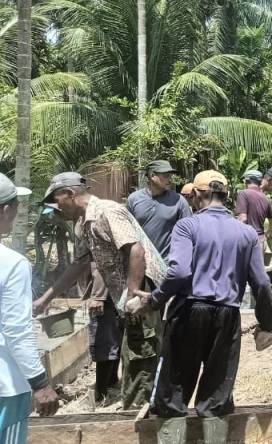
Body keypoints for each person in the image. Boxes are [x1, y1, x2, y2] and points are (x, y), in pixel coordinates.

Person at [131, 170, 272, 443]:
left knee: (172, 392)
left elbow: (179, 272)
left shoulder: (187, 226)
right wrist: (266, 324)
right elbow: (261, 284)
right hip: (227, 315)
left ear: (197, 194)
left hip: (189, 311)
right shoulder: (246, 233)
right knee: (217, 394)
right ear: (227, 195)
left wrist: (155, 299)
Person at [35, 172, 168, 409]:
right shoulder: (83, 224)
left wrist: (133, 294)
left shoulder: (107, 212)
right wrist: (45, 299)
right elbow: (79, 264)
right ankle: (134, 407)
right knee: (132, 353)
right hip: (128, 292)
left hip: (142, 288)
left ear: (70, 194)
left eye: (57, 200)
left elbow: (136, 251)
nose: (56, 207)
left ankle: (141, 412)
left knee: (141, 354)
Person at [0, 174, 60, 442]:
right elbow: (16, 331)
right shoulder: (11, 264)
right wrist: (40, 383)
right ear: (5, 210)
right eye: (16, 206)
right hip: (6, 385)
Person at [126, 160, 192, 259]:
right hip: (142, 262)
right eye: (166, 176)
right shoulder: (134, 199)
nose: (170, 179)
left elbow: (189, 233)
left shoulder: (179, 201)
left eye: (170, 176)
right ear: (152, 176)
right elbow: (127, 232)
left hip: (167, 263)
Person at [236, 169, 272, 253]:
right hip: (261, 241)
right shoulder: (265, 198)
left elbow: (243, 219)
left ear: (246, 180)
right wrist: (268, 233)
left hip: (248, 242)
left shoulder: (243, 194)